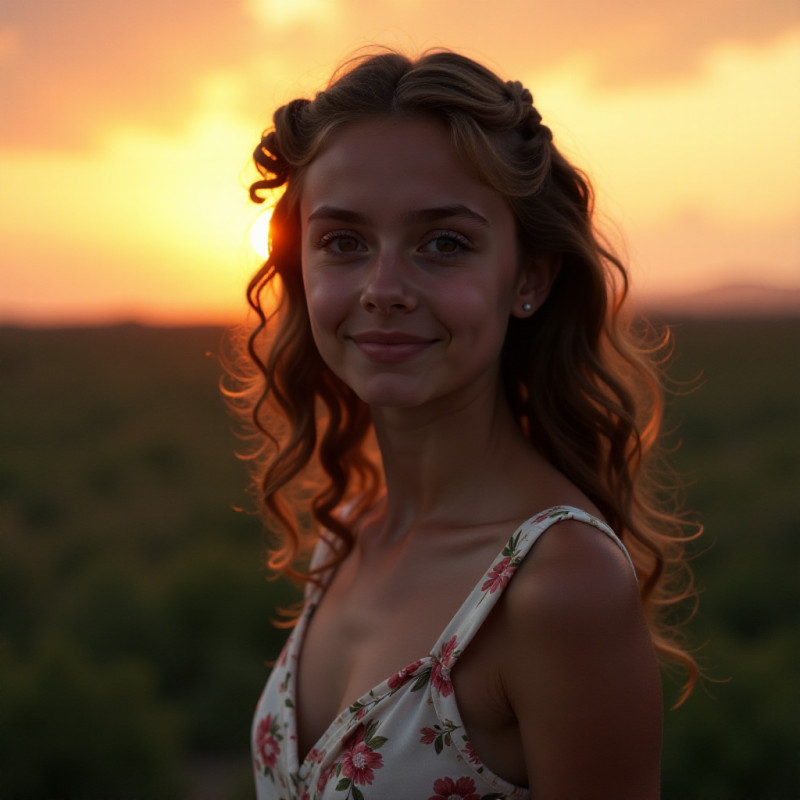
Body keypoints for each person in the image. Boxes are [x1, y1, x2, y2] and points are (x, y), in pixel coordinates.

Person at [237, 49, 698, 800]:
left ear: (528, 278)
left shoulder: (559, 586)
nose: (384, 289)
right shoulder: (347, 531)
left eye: (443, 243)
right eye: (344, 242)